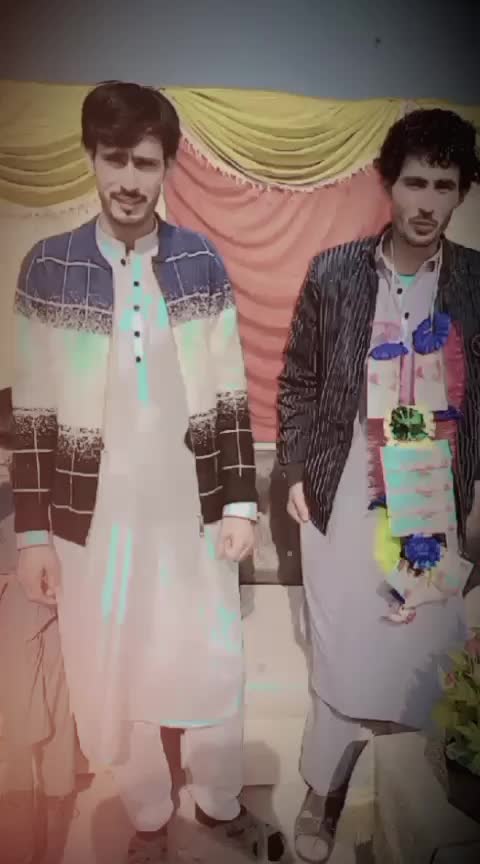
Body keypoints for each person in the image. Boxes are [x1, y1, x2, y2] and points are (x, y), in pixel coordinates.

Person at [11, 81, 287, 863]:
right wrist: (32, 535)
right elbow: (31, 414)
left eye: (146, 162)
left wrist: (241, 503)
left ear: (165, 167)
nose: (129, 179)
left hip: (189, 512)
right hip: (91, 521)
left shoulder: (200, 261)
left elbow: (230, 390)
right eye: (115, 159)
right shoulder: (47, 266)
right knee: (115, 670)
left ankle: (220, 804)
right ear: (91, 158)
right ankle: (147, 819)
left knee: (210, 660)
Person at [277, 108, 480, 862]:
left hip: (435, 499)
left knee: (424, 656)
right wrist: (294, 465)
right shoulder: (334, 271)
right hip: (346, 489)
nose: (427, 202)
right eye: (414, 182)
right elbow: (297, 380)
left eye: (444, 186)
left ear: (461, 193)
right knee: (340, 653)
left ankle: (415, 798)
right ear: (389, 185)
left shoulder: (476, 279)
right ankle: (323, 789)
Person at [0, 390, 77, 864]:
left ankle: (28, 840)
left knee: (30, 719)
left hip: (36, 596)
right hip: (36, 595)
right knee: (36, 716)